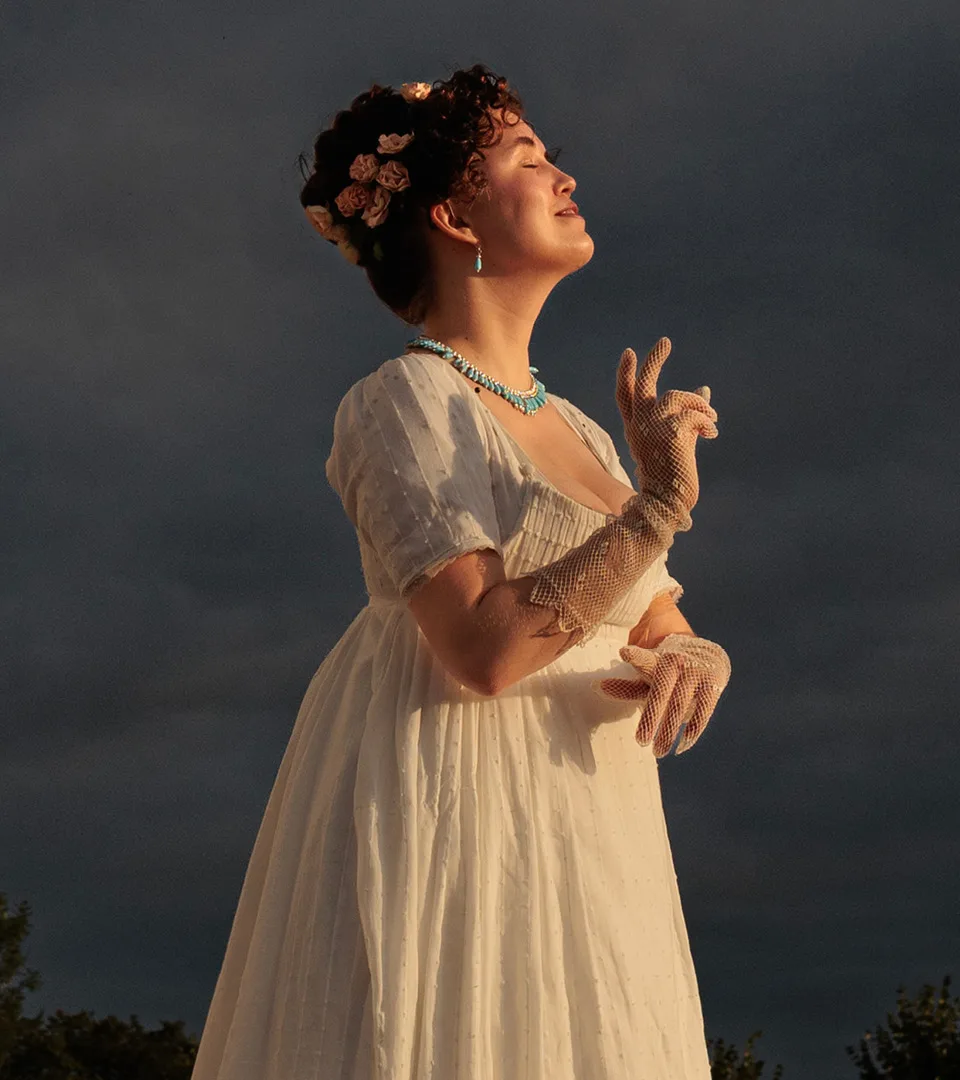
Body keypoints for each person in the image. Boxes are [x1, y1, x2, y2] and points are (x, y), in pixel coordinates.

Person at [191, 63, 731, 1080]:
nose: (565, 176)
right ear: (453, 214)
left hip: (588, 831)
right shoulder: (407, 400)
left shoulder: (578, 427)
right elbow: (482, 650)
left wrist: (697, 653)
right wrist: (657, 509)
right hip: (466, 806)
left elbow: (652, 621)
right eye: (531, 158)